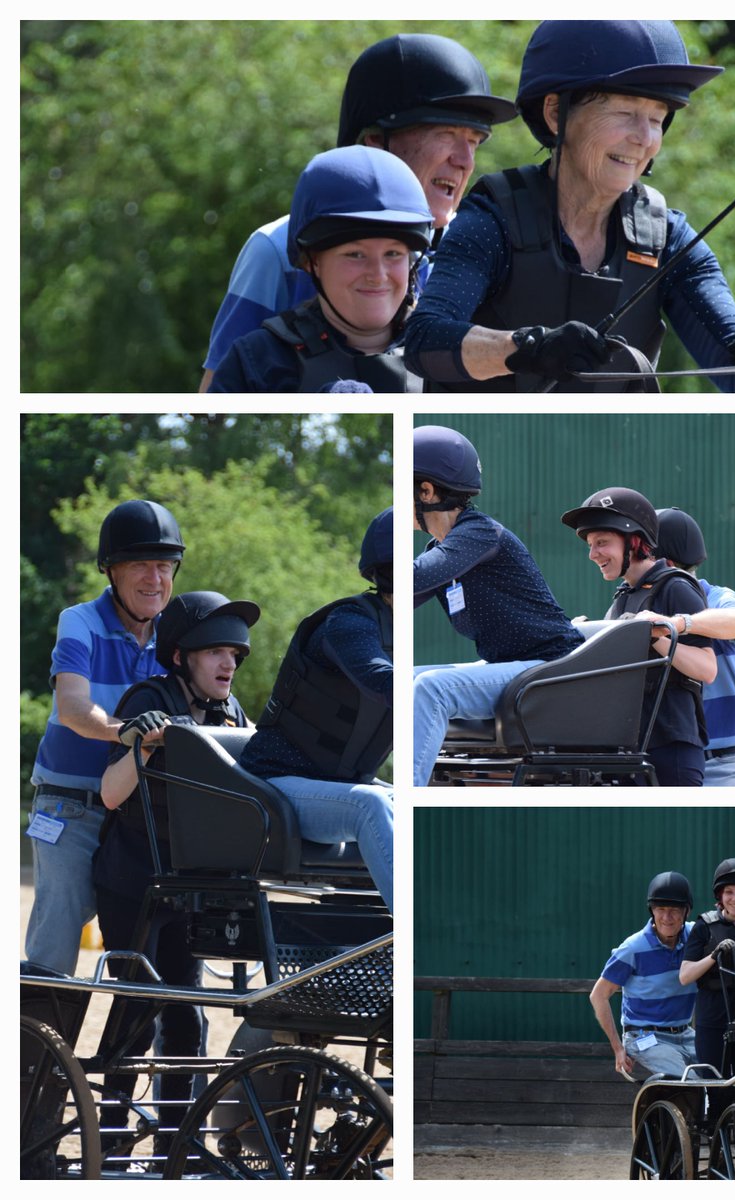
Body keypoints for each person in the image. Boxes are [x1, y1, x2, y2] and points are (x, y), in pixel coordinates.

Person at [404, 20, 735, 393]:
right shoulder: (492, 220)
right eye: (625, 113)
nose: (645, 138)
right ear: (556, 114)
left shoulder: (668, 237)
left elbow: (734, 358)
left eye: (657, 118)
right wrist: (528, 348)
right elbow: (425, 340)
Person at [200, 33, 518, 391]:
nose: (465, 161)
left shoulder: (477, 252)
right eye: (445, 134)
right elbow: (216, 399)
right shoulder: (275, 249)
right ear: (374, 142)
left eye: (474, 142)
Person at [93, 591, 257, 1162]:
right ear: (183, 656)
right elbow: (111, 795)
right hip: (132, 880)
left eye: (234, 653)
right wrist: (141, 740)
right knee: (135, 1012)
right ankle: (110, 1146)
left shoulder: (232, 713)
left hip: (192, 886)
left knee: (187, 1018)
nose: (228, 664)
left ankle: (175, 1148)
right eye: (215, 652)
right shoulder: (150, 697)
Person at [25, 499, 185, 976]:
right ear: (111, 570)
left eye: (164, 565)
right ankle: (35, 1050)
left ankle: (150, 1048)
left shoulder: (176, 634)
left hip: (140, 813)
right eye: (140, 564)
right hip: (70, 805)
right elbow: (73, 708)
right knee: (57, 940)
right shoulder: (80, 621)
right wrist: (131, 734)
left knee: (154, 942)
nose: (154, 579)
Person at [239, 508, 393, 911]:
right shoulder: (349, 623)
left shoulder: (397, 630)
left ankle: (386, 935)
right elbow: (380, 679)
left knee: (406, 803)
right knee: (371, 805)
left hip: (331, 784)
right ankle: (418, 936)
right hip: (276, 783)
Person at [413, 425, 584, 785]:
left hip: (549, 668)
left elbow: (412, 577)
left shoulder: (478, 533)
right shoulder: (440, 550)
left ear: (426, 491)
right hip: (514, 668)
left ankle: (407, 798)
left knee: (431, 687)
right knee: (405, 679)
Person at [209, 146, 433, 392]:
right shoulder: (257, 363)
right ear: (312, 262)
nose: (378, 275)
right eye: (355, 254)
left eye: (393, 254)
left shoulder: (446, 353)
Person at [560, 488, 715, 786]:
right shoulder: (623, 596)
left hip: (672, 746)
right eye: (590, 545)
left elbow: (707, 669)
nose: (593, 554)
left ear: (634, 541)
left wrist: (653, 635)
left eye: (602, 543)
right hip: (629, 746)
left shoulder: (675, 587)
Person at [652, 507, 735, 786]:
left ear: (665, 564)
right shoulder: (651, 614)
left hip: (731, 765)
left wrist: (678, 624)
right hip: (680, 762)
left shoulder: (720, 599)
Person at [590, 872, 698, 1078]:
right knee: (690, 1080)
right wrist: (617, 1049)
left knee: (723, 1073)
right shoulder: (633, 948)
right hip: (645, 1036)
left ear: (686, 912)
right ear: (652, 910)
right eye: (660, 909)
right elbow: (598, 995)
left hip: (685, 1033)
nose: (667, 917)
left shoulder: (695, 937)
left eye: (674, 910)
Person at [680, 858, 735, 1076]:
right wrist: (714, 956)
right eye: (729, 892)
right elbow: (685, 976)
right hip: (712, 1017)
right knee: (715, 1083)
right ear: (720, 897)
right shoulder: (704, 926)